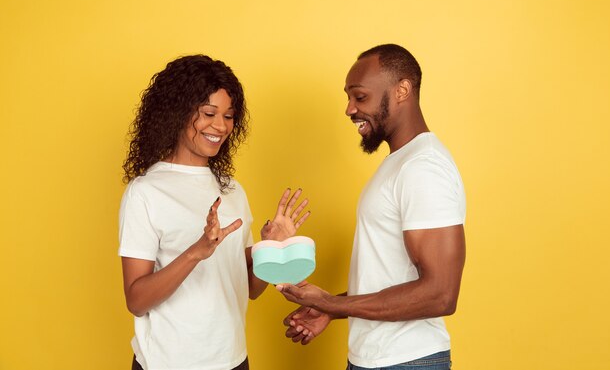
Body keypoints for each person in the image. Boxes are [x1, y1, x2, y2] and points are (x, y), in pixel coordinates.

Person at [278, 44, 466, 370]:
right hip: (376, 361)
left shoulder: (424, 167)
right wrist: (334, 307)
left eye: (360, 97)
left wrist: (332, 302)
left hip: (407, 362)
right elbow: (389, 273)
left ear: (402, 90)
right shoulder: (400, 163)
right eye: (348, 98)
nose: (349, 109)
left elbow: (440, 293)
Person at [118, 54, 310, 370]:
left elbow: (250, 289)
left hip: (233, 361)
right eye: (209, 113)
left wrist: (270, 249)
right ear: (177, 113)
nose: (220, 126)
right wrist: (196, 252)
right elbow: (136, 301)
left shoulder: (232, 190)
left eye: (230, 115)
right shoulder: (146, 192)